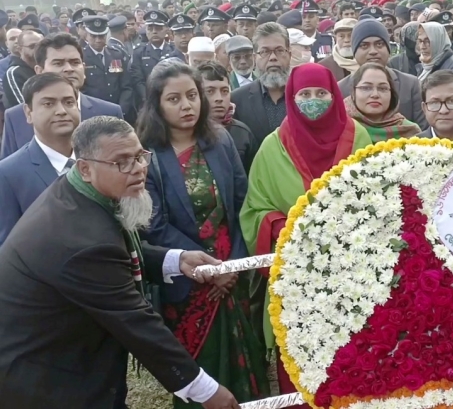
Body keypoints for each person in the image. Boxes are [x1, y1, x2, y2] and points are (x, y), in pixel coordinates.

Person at [0, 116, 240, 409]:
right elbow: (136, 321)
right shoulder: (81, 241)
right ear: (85, 168)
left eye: (140, 156)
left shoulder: (78, 192)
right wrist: (205, 390)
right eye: (122, 162)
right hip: (47, 380)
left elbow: (113, 248)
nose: (139, 169)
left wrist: (174, 259)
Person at [239, 63, 372, 407]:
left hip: (352, 271)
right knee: (302, 369)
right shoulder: (272, 147)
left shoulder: (357, 137)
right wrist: (293, 230)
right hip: (298, 276)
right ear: (290, 98)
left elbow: (375, 197)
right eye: (304, 95)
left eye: (321, 94)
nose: (313, 101)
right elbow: (255, 209)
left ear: (335, 95)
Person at [136, 62, 268, 409]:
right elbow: (155, 224)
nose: (187, 105)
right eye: (174, 99)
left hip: (232, 269)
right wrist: (208, 270)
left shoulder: (220, 140)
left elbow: (242, 204)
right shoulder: (147, 154)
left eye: (192, 96)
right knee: (202, 367)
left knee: (245, 357)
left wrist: (233, 264)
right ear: (157, 105)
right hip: (187, 280)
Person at [1, 32, 123, 160]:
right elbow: (8, 172)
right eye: (58, 63)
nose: (69, 69)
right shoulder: (16, 117)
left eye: (75, 62)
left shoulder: (110, 112)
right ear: (39, 71)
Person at [0, 74, 79, 246]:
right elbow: (8, 247)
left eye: (69, 102)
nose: (61, 111)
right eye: (48, 104)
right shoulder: (8, 173)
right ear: (29, 113)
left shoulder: (96, 158)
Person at [338, 19, 428, 129]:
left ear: (388, 48)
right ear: (354, 51)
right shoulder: (341, 88)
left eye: (379, 44)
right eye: (364, 46)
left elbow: (423, 129)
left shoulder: (410, 84)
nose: (373, 51)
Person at [231, 23, 291, 145]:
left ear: (289, 55)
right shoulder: (237, 100)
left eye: (279, 51)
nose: (273, 57)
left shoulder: (304, 95)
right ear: (254, 58)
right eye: (265, 52)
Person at [197, 61, 257, 172]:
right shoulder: (187, 133)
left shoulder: (242, 133)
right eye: (210, 91)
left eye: (224, 91)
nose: (219, 98)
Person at [344, 62, 421, 142]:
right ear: (353, 92)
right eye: (366, 88)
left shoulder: (409, 130)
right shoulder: (341, 126)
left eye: (382, 88)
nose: (375, 95)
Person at [129, 10, 175, 124]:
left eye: (158, 28)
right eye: (150, 28)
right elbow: (137, 80)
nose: (154, 32)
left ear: (166, 30)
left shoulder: (173, 50)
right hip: (148, 104)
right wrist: (150, 100)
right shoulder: (139, 52)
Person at [81, 17, 134, 107]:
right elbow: (82, 89)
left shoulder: (116, 55)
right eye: (93, 36)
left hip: (117, 107)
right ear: (86, 35)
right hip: (93, 109)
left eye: (101, 36)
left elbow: (126, 85)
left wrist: (122, 108)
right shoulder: (81, 57)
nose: (98, 40)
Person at [417, 70, 453, 142]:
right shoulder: (409, 148)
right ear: (424, 108)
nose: (443, 110)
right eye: (434, 103)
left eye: (452, 101)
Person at [3, 30, 42, 108]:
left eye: (40, 46)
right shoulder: (14, 73)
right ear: (20, 49)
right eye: (32, 46)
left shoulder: (46, 68)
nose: (37, 50)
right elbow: (24, 107)